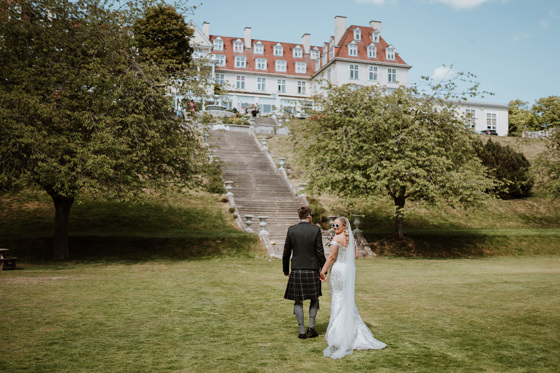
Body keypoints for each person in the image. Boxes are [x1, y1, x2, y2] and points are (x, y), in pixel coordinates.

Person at [320, 216, 386, 359]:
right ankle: (351, 333)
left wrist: (323, 271)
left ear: (344, 226)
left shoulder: (336, 239)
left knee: (338, 298)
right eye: (333, 225)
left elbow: (331, 257)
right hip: (348, 271)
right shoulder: (350, 239)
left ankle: (339, 334)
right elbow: (355, 255)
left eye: (337, 225)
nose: (334, 227)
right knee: (345, 299)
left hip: (338, 270)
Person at [283, 206, 326, 339]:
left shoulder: (292, 230)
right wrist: (323, 270)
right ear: (308, 216)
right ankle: (311, 328)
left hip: (297, 270)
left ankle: (302, 332)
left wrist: (286, 270)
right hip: (312, 270)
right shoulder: (315, 230)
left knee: (298, 300)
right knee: (314, 298)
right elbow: (320, 252)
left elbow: (286, 253)